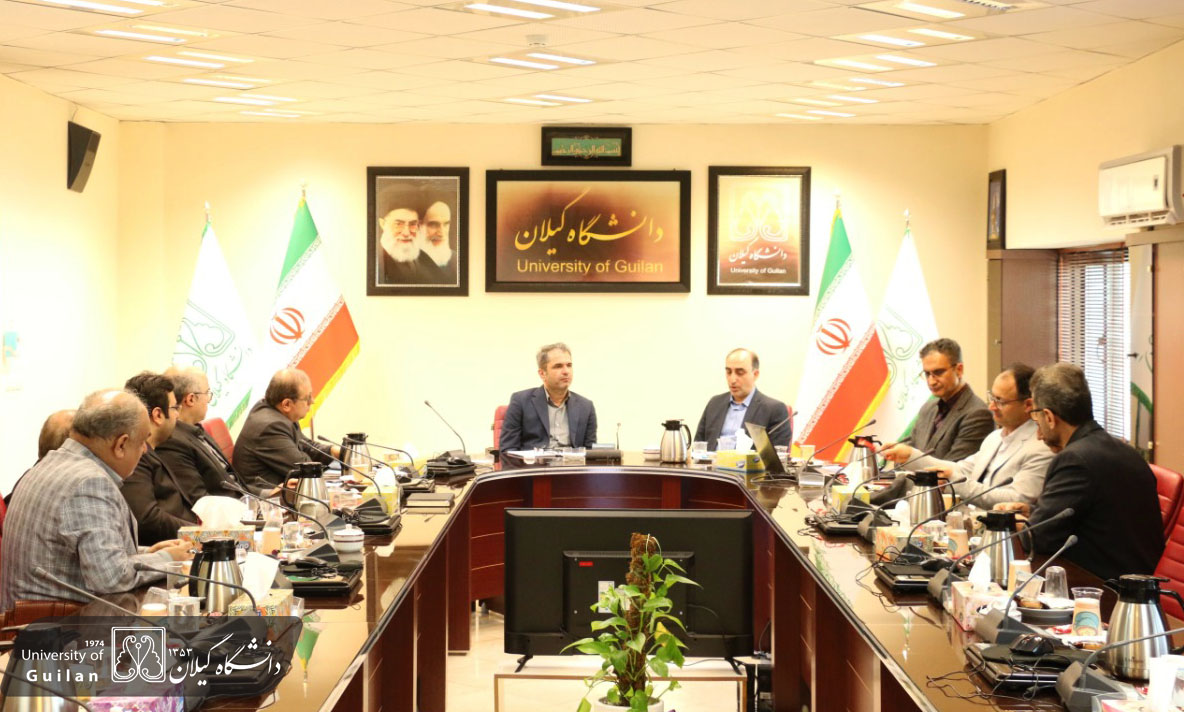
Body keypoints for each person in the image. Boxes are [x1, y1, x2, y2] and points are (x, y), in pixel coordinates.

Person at [0, 389, 191, 611]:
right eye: (142, 442)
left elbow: (86, 555)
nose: (144, 451)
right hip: (60, 625)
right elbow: (111, 578)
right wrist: (168, 559)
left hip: (42, 616)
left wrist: (148, 554)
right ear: (121, 445)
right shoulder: (88, 483)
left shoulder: (52, 462)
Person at [997, 363, 1163, 581]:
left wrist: (1010, 520)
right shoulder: (1124, 451)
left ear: (1049, 417)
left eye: (1036, 420)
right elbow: (1091, 517)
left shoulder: (1074, 460)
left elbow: (1036, 539)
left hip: (1099, 588)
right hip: (1135, 585)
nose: (1038, 435)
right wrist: (1032, 512)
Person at [881, 363, 1052, 508]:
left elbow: (1017, 499)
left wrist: (954, 480)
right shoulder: (995, 438)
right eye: (992, 397)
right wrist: (911, 456)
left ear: (1028, 405)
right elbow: (961, 470)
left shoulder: (1041, 447)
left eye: (1000, 401)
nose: (992, 406)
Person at [879, 338, 994, 462]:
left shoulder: (978, 414)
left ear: (959, 370)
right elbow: (905, 456)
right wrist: (896, 452)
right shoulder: (928, 408)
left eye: (938, 372)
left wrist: (908, 456)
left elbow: (954, 469)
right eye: (927, 374)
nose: (931, 381)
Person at [122, 372, 199, 545]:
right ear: (158, 415)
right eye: (175, 408)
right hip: (171, 548)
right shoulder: (136, 457)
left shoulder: (153, 449)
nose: (178, 415)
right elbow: (147, 518)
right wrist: (199, 532)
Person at [233, 368, 339, 492]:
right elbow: (305, 468)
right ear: (287, 404)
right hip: (268, 496)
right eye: (307, 398)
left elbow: (304, 445)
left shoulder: (278, 413)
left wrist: (332, 451)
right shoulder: (270, 427)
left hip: (287, 489)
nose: (312, 401)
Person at [157, 366, 244, 498]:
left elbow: (232, 480)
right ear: (191, 399)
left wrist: (262, 496)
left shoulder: (196, 428)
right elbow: (199, 498)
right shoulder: (173, 443)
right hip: (229, 508)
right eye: (207, 392)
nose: (209, 399)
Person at [499, 343, 597, 451]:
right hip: (535, 461)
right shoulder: (520, 401)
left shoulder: (586, 407)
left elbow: (591, 452)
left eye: (569, 365)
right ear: (542, 373)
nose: (566, 371)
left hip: (572, 461)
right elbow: (508, 450)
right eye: (558, 366)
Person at [694, 348, 791, 451]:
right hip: (712, 461)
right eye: (728, 372)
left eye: (740, 373)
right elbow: (698, 446)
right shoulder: (715, 404)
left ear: (755, 374)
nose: (732, 379)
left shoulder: (774, 410)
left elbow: (777, 455)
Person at [377, 205, 447, 285]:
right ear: (383, 224)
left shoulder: (422, 256)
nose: (406, 233)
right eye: (398, 224)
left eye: (413, 224)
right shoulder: (376, 261)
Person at [421, 200, 456, 281]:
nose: (441, 233)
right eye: (434, 225)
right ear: (420, 226)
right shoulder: (409, 263)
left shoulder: (456, 260)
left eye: (446, 224)